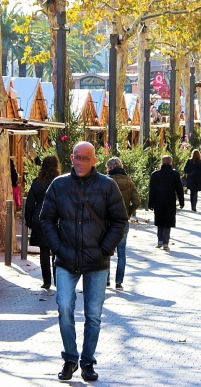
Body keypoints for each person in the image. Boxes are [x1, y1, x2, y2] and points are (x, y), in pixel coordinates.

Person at [39, 141, 128, 381]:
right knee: (64, 307)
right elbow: (46, 218)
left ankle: (88, 362)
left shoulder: (107, 186)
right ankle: (70, 359)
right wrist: (58, 248)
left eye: (85, 158)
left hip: (96, 261)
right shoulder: (59, 185)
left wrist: (104, 249)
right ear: (71, 157)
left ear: (94, 161)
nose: (80, 162)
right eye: (76, 157)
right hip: (66, 259)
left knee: (93, 315)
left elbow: (120, 221)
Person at [25, 156, 60, 290]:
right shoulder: (59, 182)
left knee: (44, 251)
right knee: (57, 250)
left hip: (40, 218)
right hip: (56, 218)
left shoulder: (37, 182)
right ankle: (58, 280)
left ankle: (46, 281)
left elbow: (29, 204)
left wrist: (29, 221)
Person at [106, 157, 141, 290]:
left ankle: (106, 280)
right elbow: (137, 201)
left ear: (110, 168)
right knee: (122, 252)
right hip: (122, 221)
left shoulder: (107, 181)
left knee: (106, 250)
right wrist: (127, 213)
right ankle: (119, 282)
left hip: (108, 221)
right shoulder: (129, 182)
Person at [148, 155, 185, 250]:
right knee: (168, 222)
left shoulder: (155, 175)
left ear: (162, 163)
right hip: (170, 201)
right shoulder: (175, 174)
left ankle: (159, 241)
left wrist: (150, 202)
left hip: (158, 201)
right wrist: (181, 201)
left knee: (160, 221)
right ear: (171, 163)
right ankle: (165, 243)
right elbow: (179, 189)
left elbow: (152, 190)